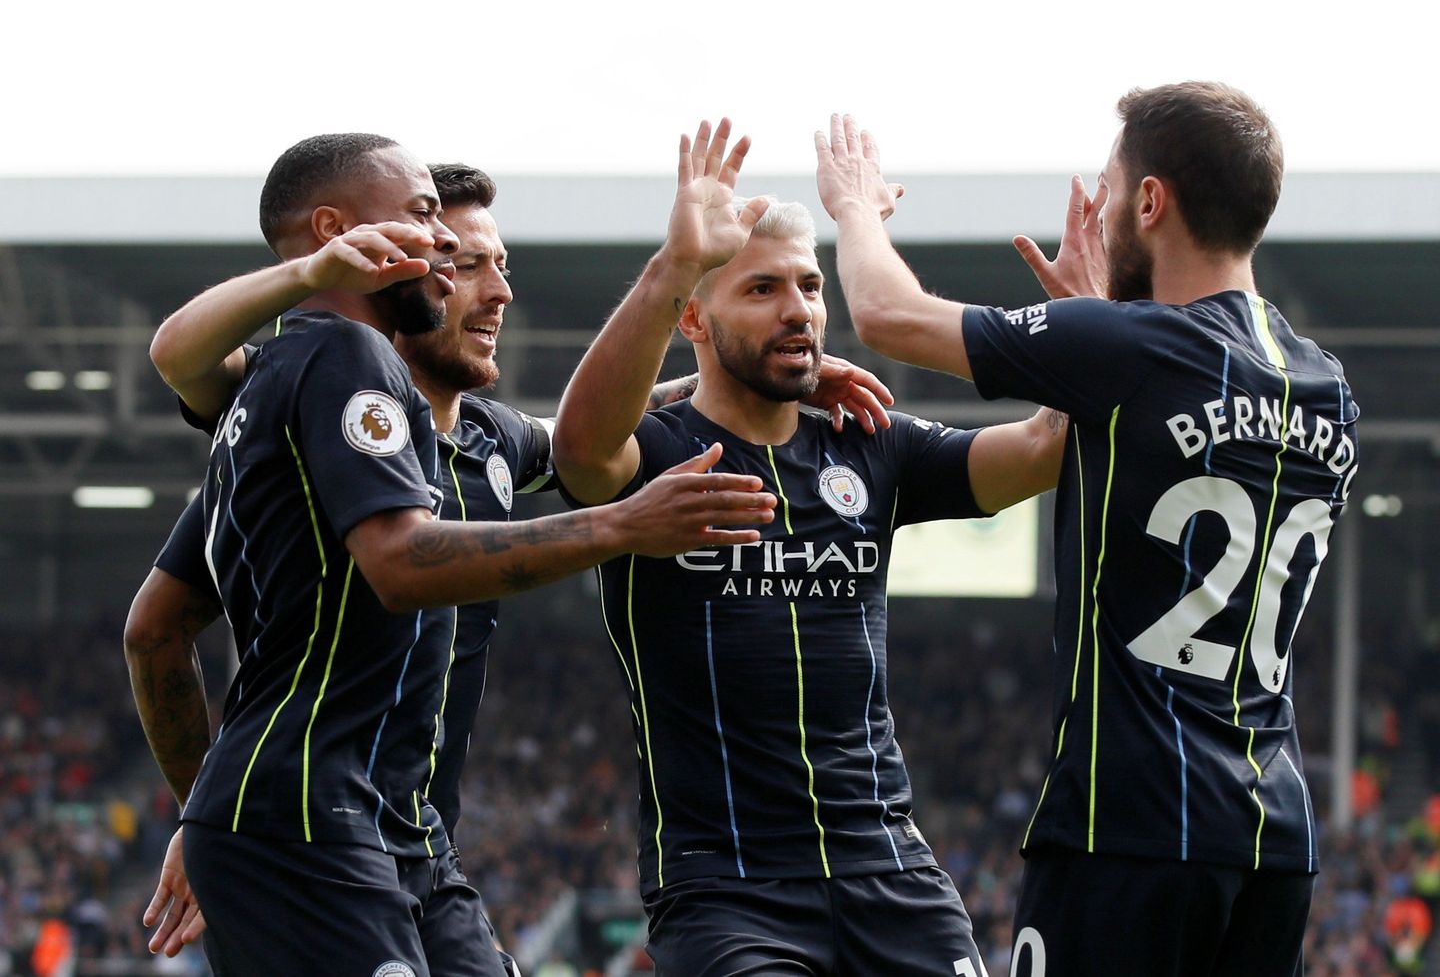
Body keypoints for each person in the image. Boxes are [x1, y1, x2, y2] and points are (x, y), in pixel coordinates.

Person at [128, 148, 885, 967]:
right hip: (306, 822)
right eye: (460, 259)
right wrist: (213, 811)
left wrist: (755, 372)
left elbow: (584, 436)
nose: (492, 289)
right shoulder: (320, 379)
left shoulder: (489, 440)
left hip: (412, 841)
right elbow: (167, 612)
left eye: (498, 264)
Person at [815, 84, 1359, 976]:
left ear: (1151, 202)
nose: (1098, 209)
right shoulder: (1328, 386)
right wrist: (1093, 334)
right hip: (1273, 843)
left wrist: (853, 207)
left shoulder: (1133, 347)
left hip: (1127, 829)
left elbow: (886, 315)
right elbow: (1169, 437)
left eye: (1109, 189)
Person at [552, 119, 1065, 977]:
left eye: (810, 285)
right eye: (760, 290)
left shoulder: (872, 443)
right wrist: (674, 260)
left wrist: (1079, 319)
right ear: (695, 320)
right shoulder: (657, 454)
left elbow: (1044, 449)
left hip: (889, 870)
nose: (798, 309)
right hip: (728, 890)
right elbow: (579, 451)